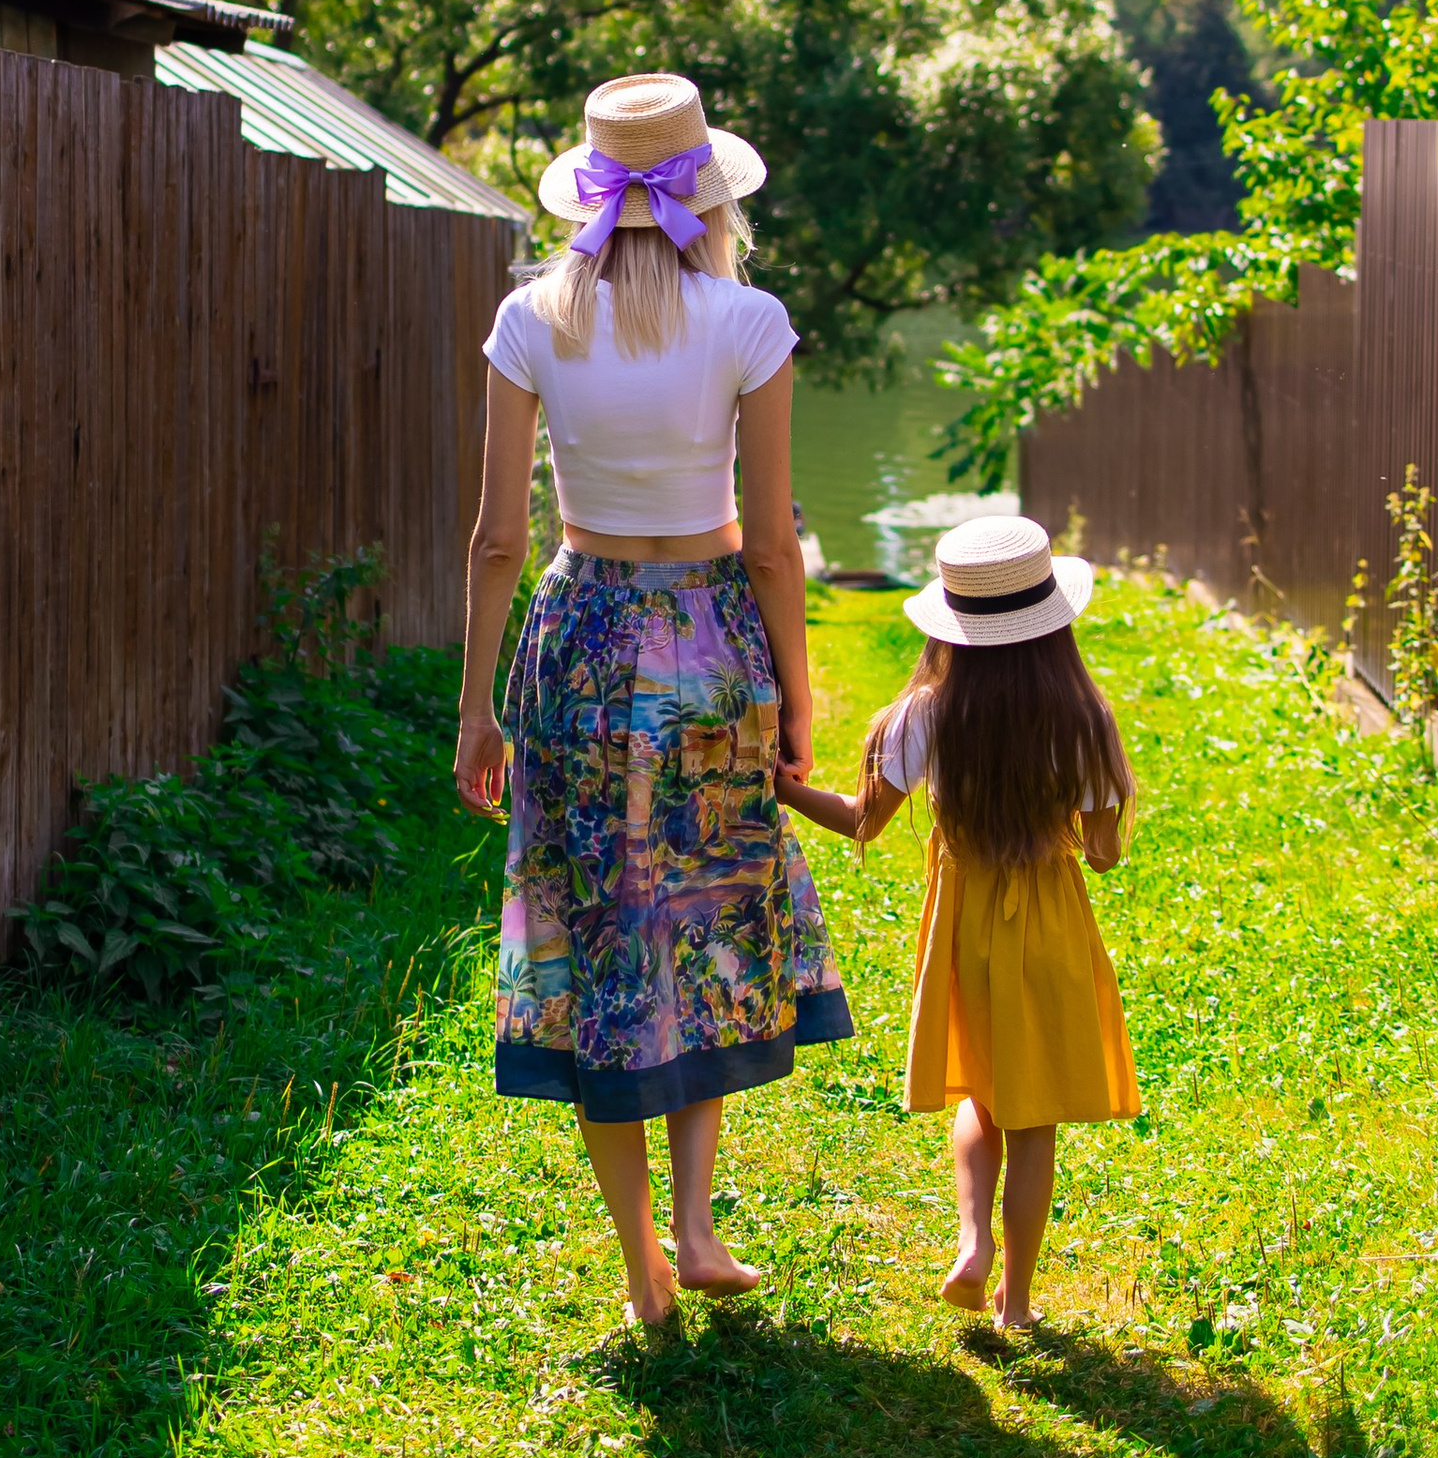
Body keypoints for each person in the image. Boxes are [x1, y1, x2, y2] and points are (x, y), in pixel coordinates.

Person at [455, 73, 849, 1328]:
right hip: (711, 644)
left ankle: (647, 1264)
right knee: (702, 912)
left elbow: (495, 542)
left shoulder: (530, 316)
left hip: (576, 640)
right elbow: (773, 544)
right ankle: (693, 1225)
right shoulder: (748, 320)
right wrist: (795, 695)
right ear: (707, 194)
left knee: (599, 933)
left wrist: (476, 711)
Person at [776, 518, 1136, 1332]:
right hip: (1051, 926)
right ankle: (1019, 1303)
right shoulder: (1084, 718)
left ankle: (973, 1244)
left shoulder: (924, 714)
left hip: (965, 925)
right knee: (1033, 1117)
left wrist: (783, 786)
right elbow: (1104, 856)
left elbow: (862, 820)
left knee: (980, 1087)